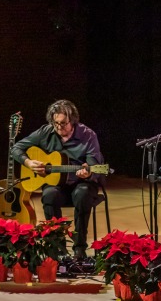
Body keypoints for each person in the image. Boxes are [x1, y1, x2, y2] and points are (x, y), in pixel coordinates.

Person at [11, 100, 104, 259]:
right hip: (57, 185)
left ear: (73, 120)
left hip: (81, 183)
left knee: (82, 195)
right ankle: (57, 248)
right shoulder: (45, 132)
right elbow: (16, 148)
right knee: (49, 195)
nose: (59, 127)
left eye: (63, 123)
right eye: (56, 123)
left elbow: (94, 163)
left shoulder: (88, 135)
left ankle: (79, 247)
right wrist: (28, 162)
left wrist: (88, 172)